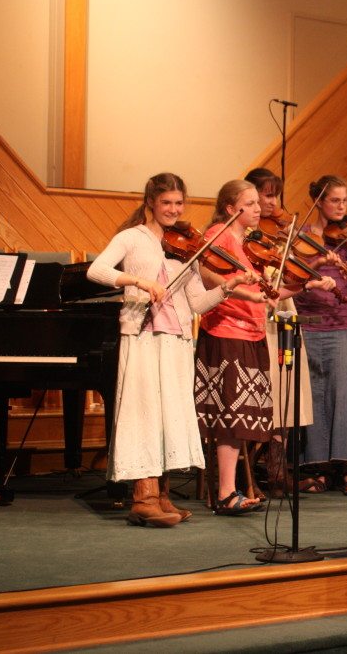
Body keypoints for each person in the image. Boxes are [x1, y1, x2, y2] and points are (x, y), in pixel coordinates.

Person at [87, 172, 258, 527]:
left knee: (168, 416)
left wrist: (229, 286)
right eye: (167, 203)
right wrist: (138, 281)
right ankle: (143, 496)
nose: (173, 209)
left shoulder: (186, 246)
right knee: (144, 412)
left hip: (178, 339)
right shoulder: (131, 238)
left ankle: (162, 496)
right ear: (151, 202)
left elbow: (196, 302)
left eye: (179, 203)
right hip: (143, 336)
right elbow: (97, 270)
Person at [195, 179, 293, 515]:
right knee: (230, 414)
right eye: (250, 204)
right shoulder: (217, 236)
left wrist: (306, 282)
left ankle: (229, 489)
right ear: (229, 208)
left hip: (251, 332)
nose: (257, 209)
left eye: (256, 203)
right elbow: (209, 278)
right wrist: (244, 291)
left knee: (241, 417)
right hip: (225, 332)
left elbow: (271, 295)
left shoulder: (250, 244)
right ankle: (225, 491)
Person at [243, 167, 334, 498]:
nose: (272, 202)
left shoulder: (280, 234)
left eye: (275, 195)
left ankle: (279, 471)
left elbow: (301, 259)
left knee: (286, 395)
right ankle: (255, 472)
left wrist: (289, 231)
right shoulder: (246, 237)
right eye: (266, 195)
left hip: (284, 316)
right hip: (258, 319)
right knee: (268, 396)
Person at [293, 175, 347, 495]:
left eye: (345, 201)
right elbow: (293, 276)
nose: (342, 207)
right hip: (309, 322)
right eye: (335, 200)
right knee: (314, 397)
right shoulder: (301, 237)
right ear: (318, 201)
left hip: (346, 322)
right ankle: (316, 467)